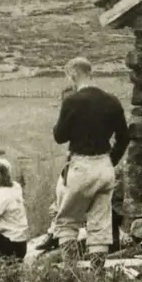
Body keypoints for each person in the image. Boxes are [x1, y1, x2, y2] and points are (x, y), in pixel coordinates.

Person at [51, 56, 130, 267]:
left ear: (74, 74)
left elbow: (60, 136)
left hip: (81, 165)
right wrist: (110, 161)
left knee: (67, 221)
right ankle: (97, 276)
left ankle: (71, 274)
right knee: (100, 226)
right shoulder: (112, 101)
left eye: (69, 76)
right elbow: (124, 138)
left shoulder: (72, 101)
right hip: (104, 167)